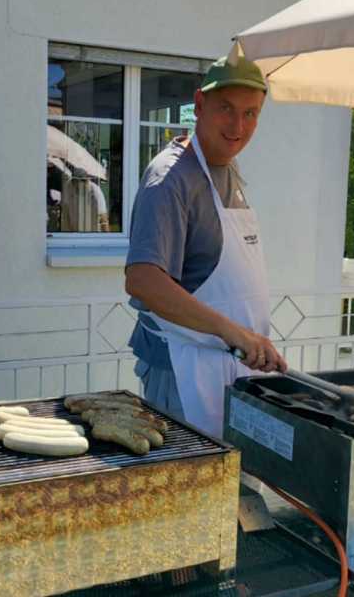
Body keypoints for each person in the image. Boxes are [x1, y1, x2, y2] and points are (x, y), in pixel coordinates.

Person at [124, 54, 286, 438]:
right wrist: (234, 332)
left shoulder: (228, 169)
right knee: (191, 475)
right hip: (184, 372)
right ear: (199, 104)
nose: (238, 126)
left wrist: (249, 339)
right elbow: (143, 280)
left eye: (250, 114)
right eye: (226, 109)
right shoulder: (170, 178)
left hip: (234, 368)